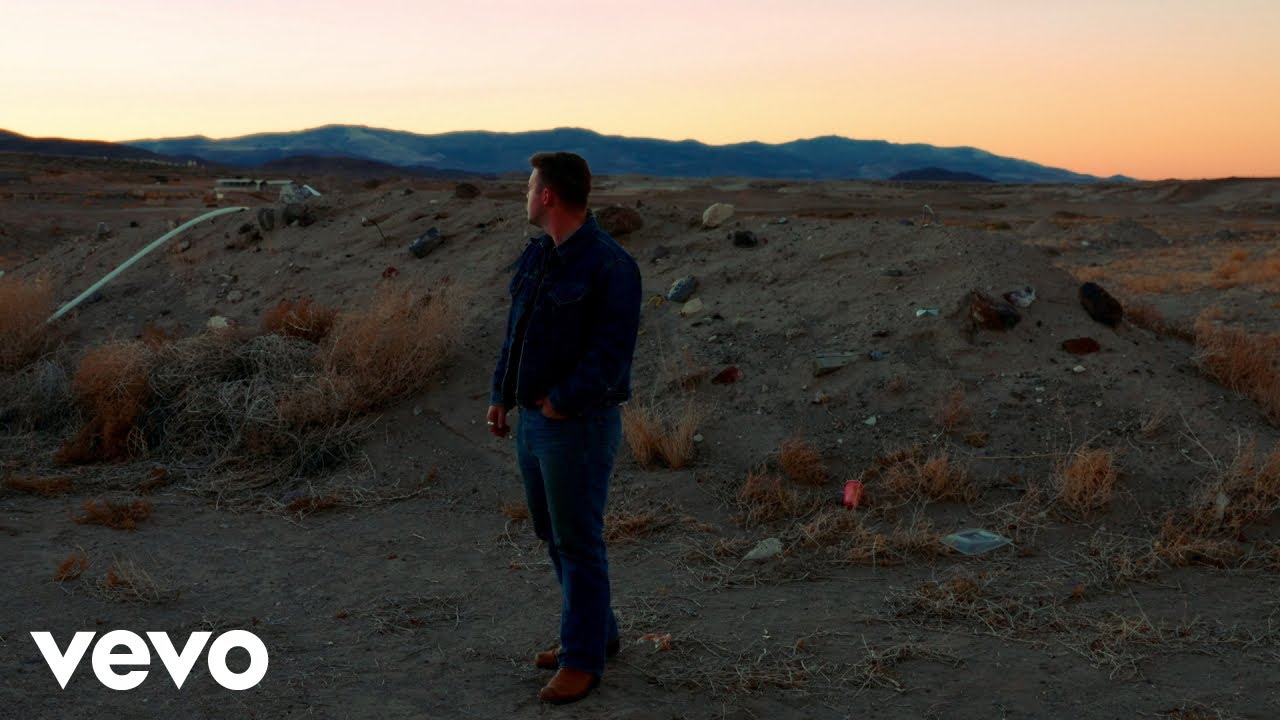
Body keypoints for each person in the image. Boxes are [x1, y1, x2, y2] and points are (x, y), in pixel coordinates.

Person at [487, 151, 642, 704]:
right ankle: (596, 633)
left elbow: (610, 356)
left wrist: (560, 403)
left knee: (577, 540)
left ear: (548, 195)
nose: (525, 195)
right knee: (553, 534)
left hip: (576, 425)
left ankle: (582, 660)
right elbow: (517, 331)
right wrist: (502, 395)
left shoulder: (610, 265)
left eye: (530, 187)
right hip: (533, 421)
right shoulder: (539, 255)